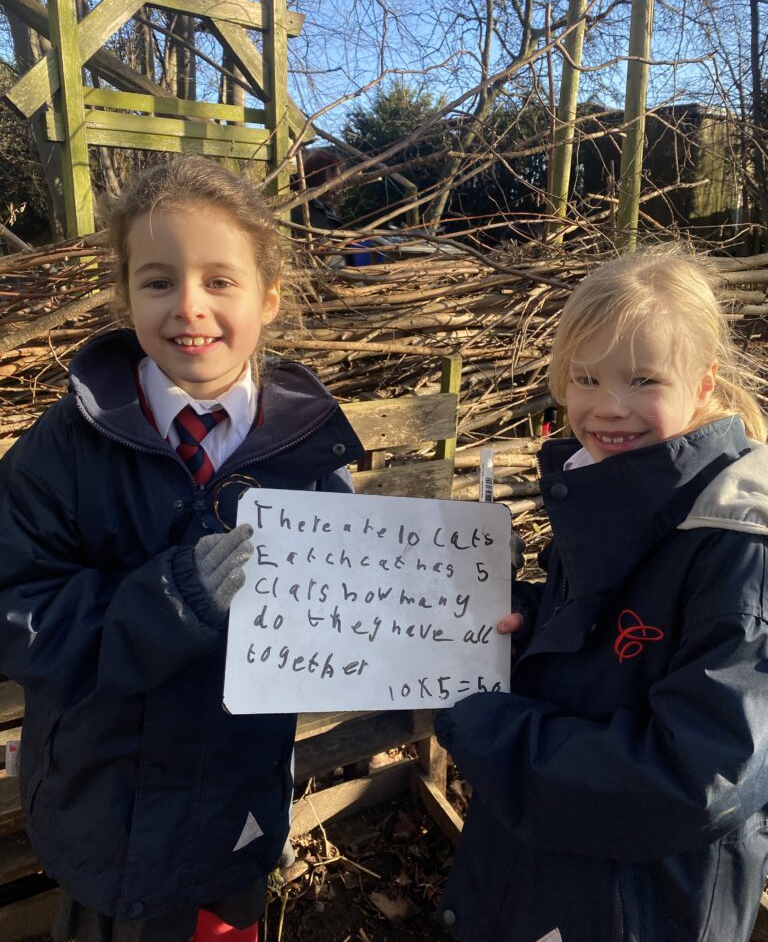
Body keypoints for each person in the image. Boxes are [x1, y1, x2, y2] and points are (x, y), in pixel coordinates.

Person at [0, 156, 363, 942]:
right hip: (105, 810)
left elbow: (346, 618)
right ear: (126, 294)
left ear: (267, 300)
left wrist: (451, 621)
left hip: (233, 803)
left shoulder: (307, 456)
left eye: (220, 281)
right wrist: (174, 602)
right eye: (159, 281)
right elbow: (18, 612)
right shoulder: (62, 449)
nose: (189, 307)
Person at [434, 247, 768, 942]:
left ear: (704, 380)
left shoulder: (738, 546)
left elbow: (693, 780)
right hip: (559, 879)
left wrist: (489, 732)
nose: (608, 408)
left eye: (642, 379)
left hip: (643, 907)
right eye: (586, 378)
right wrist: (530, 637)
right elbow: (606, 657)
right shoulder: (612, 490)